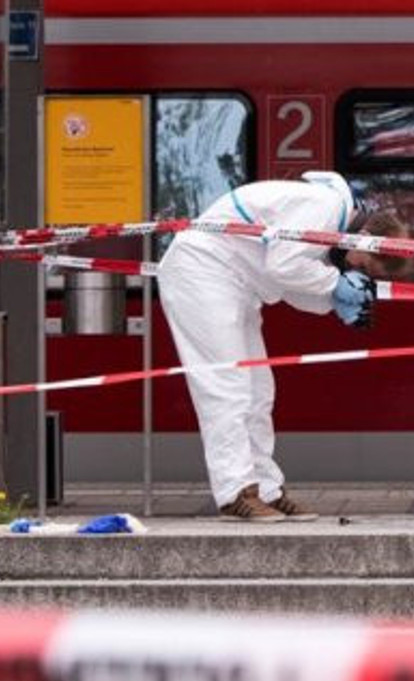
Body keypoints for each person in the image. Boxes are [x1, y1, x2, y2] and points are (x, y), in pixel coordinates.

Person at [158, 171, 377, 523]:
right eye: (363, 258)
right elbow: (285, 266)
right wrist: (335, 284)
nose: (358, 264)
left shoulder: (322, 220)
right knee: (226, 387)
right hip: (202, 274)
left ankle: (265, 489)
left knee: (258, 390)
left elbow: (289, 281)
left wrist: (335, 302)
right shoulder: (328, 207)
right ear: (362, 233)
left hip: (232, 282)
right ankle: (235, 492)